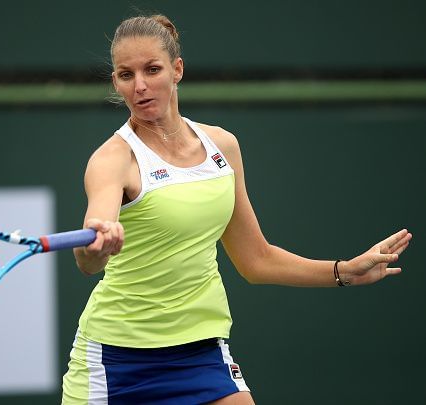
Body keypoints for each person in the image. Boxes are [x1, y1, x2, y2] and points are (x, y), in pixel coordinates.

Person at [61, 14, 412, 405]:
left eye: (152, 69)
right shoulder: (112, 159)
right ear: (116, 82)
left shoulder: (221, 147)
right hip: (118, 360)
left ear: (177, 70)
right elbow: (90, 258)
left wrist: (342, 271)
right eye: (126, 75)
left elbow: (255, 259)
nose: (140, 85)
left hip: (201, 351)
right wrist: (93, 248)